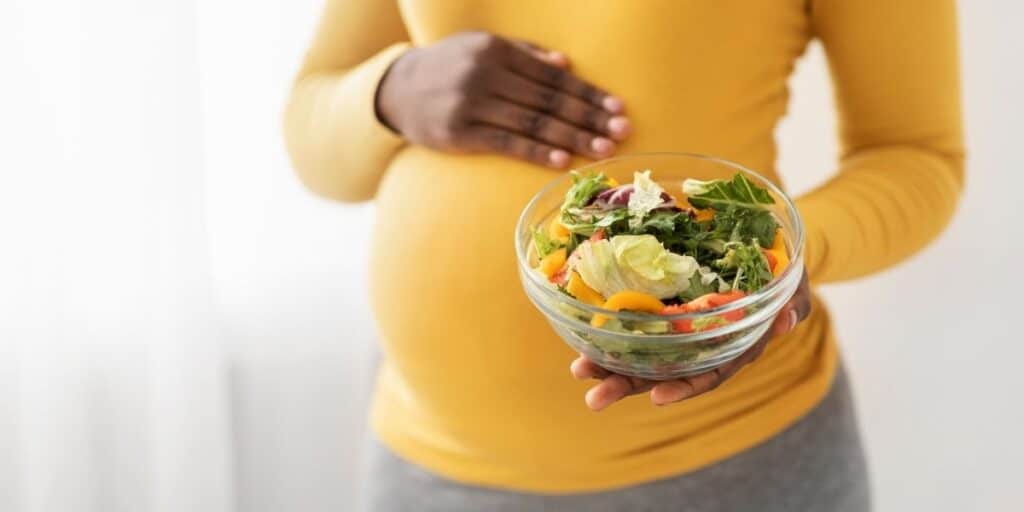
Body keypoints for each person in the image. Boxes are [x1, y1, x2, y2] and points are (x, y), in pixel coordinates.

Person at [283, 1, 963, 510]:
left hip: (724, 466)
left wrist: (774, 265)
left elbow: (917, 155)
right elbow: (313, 140)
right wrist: (389, 91)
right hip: (424, 459)